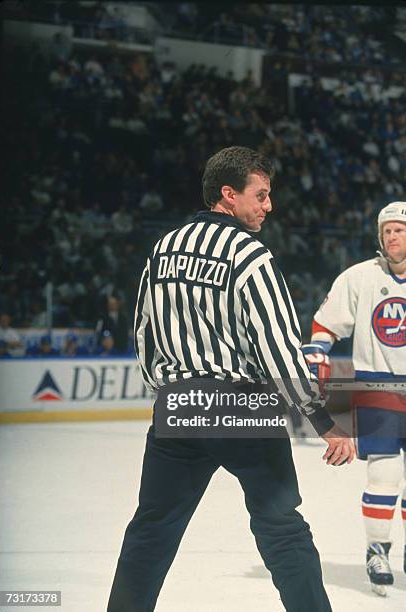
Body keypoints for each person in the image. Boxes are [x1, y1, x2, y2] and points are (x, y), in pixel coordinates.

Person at [107, 146, 355, 612]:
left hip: (178, 406)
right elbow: (278, 349)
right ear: (228, 194)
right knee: (281, 527)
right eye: (260, 195)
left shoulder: (163, 248)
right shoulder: (250, 255)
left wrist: (169, 393)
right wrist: (323, 421)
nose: (268, 205)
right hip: (242, 407)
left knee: (151, 530)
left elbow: (143, 332)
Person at [302, 201, 406, 596]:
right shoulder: (360, 276)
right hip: (376, 384)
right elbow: (326, 324)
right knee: (384, 471)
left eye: (399, 229)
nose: (391, 236)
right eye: (387, 230)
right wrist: (317, 348)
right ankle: (377, 549)